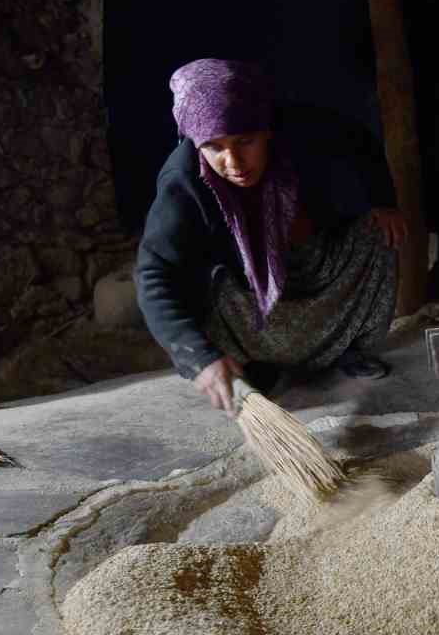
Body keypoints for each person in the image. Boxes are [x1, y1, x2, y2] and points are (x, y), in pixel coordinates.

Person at [135, 58, 407, 417]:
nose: (233, 160)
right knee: (209, 284)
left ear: (266, 129)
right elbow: (154, 274)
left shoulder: (294, 125)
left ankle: (348, 348)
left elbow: (358, 138)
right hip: (242, 292)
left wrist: (383, 201)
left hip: (310, 263)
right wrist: (200, 359)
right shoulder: (184, 179)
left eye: (245, 141)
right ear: (195, 143)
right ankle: (255, 364)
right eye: (214, 147)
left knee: (379, 234)